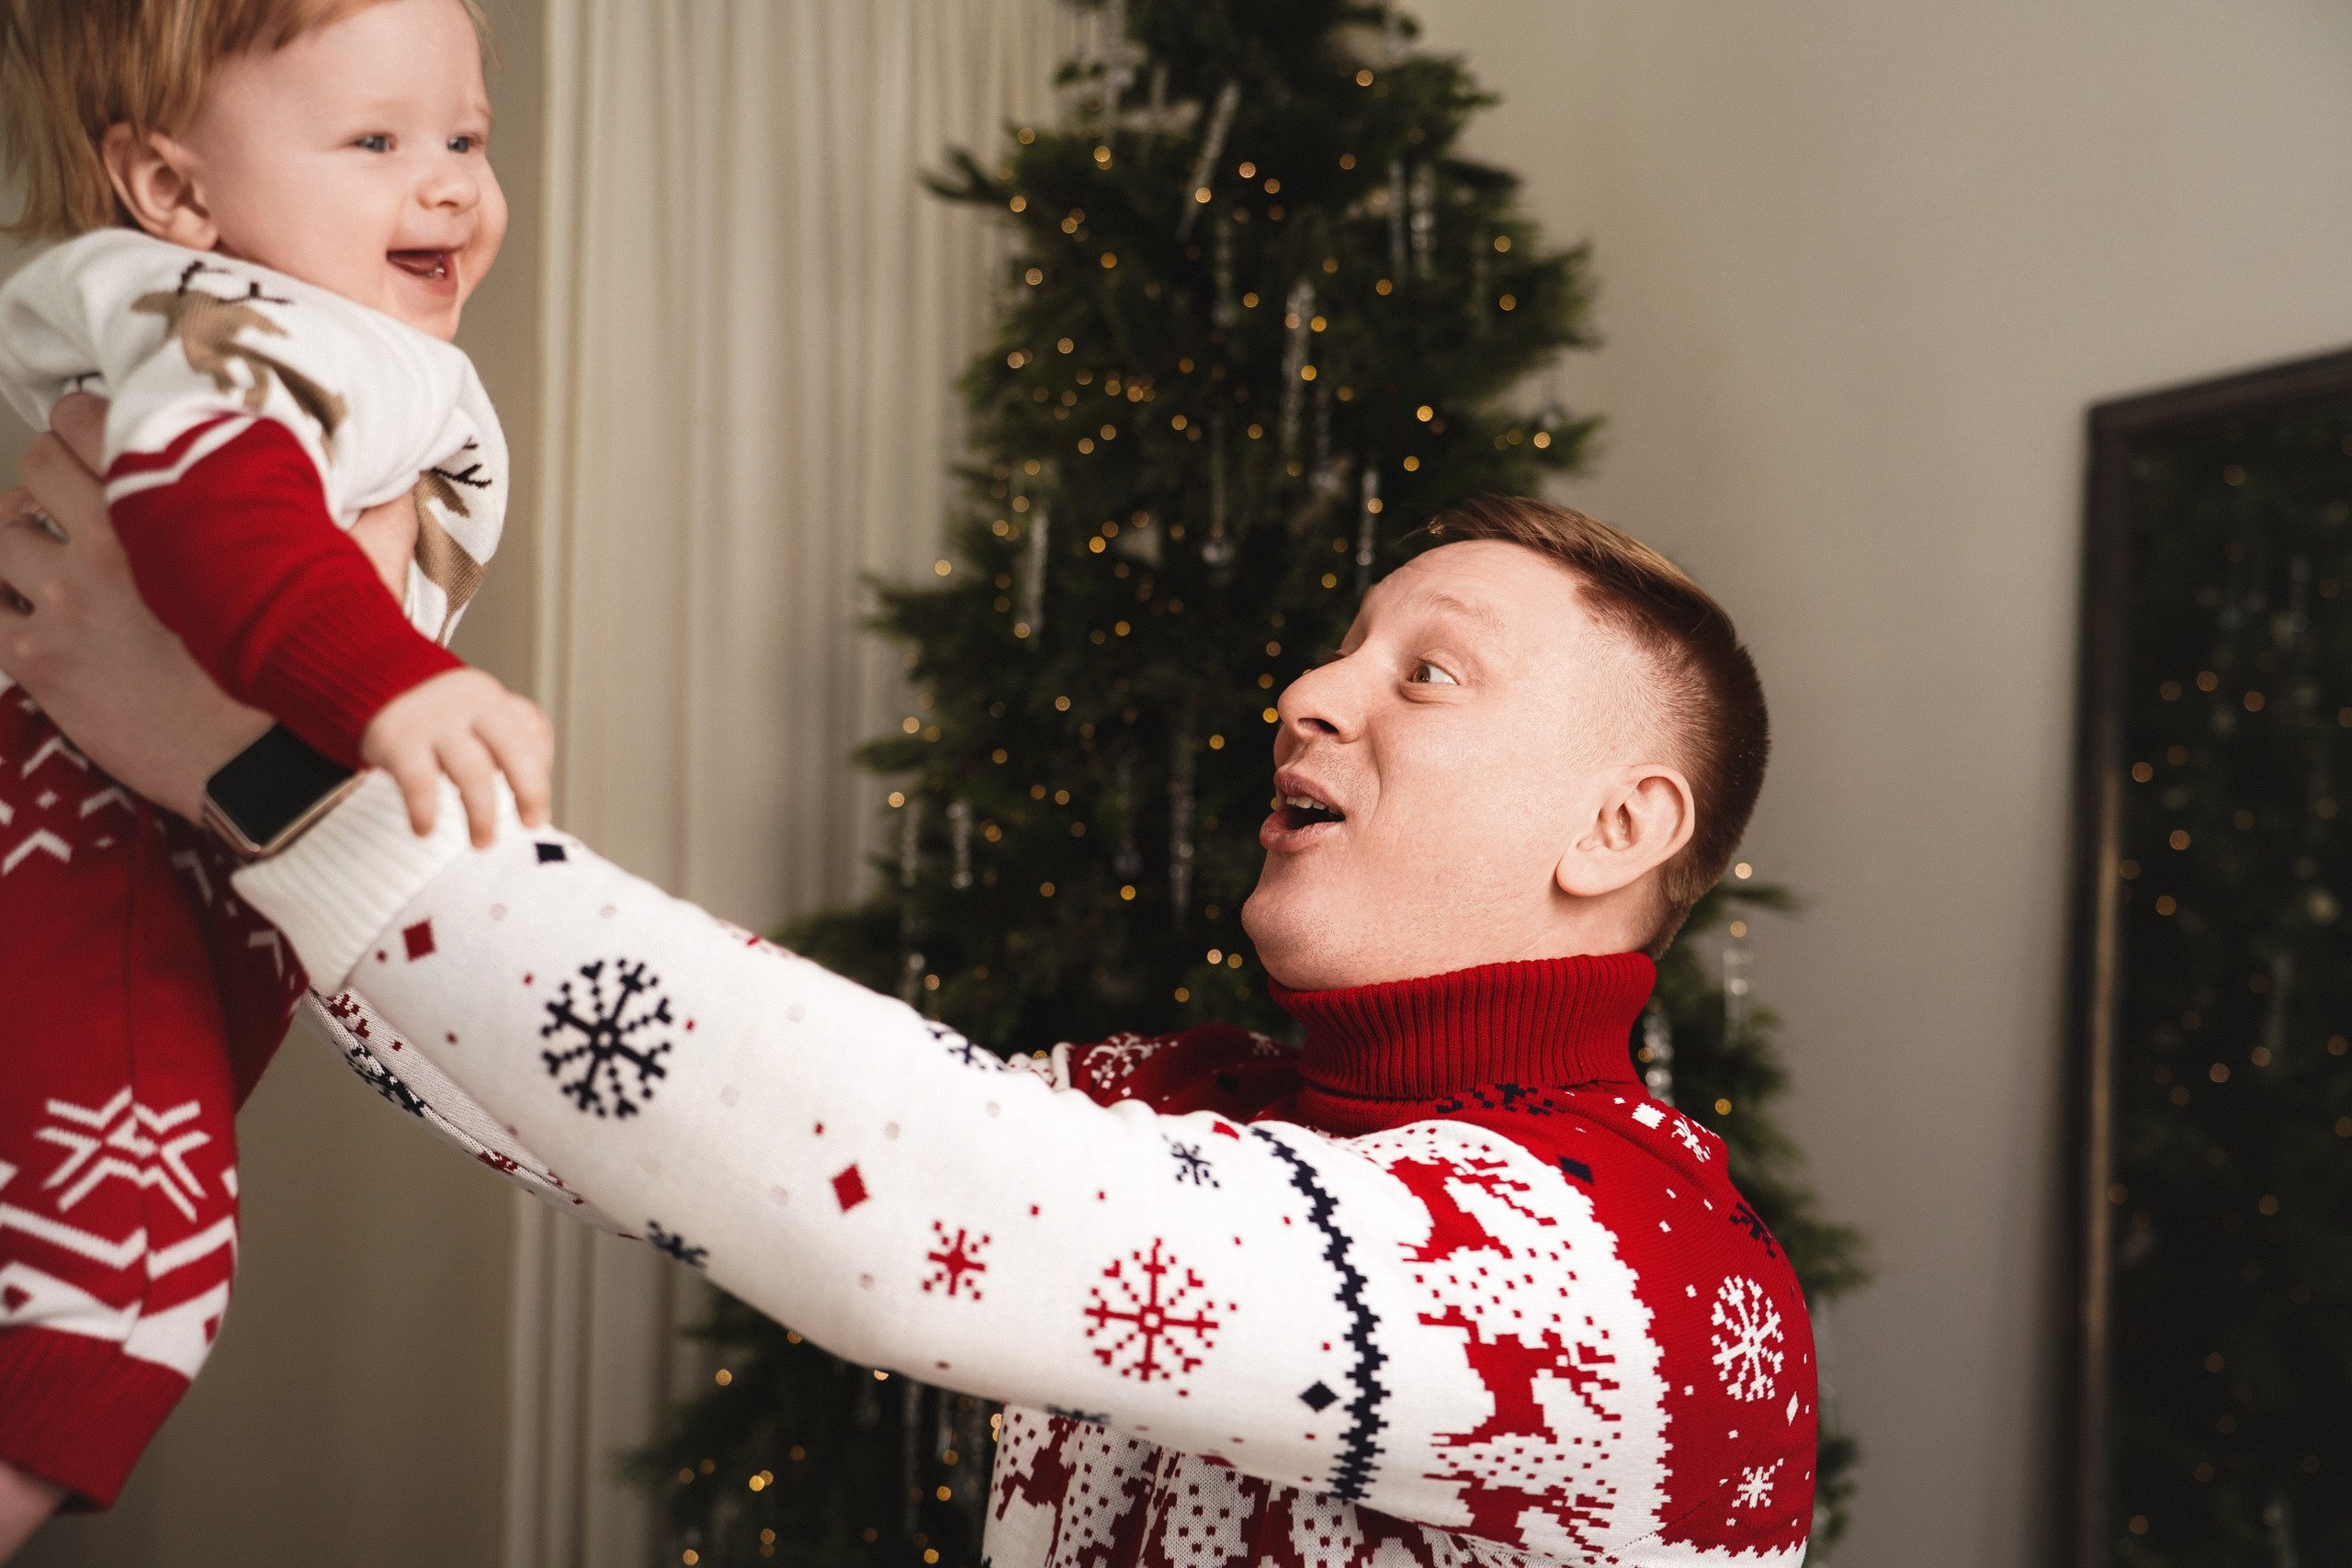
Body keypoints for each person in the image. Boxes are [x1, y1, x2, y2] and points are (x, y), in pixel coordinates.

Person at [0, 411, 1817, 1564]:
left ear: (1620, 822)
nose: (1307, 689)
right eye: (1337, 643)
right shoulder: (1176, 1098)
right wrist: (262, 750)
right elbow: (647, 1117)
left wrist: (255, 766)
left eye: (1428, 674)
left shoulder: (1626, 1279)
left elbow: (918, 1200)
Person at [0, 0, 555, 1533]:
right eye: (375, 141)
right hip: (90, 850)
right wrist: (390, 686)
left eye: (464, 138)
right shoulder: (262, 326)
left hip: (143, 854)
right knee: (119, 1294)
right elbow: (209, 506)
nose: (445, 184)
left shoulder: (297, 329)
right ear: (173, 193)